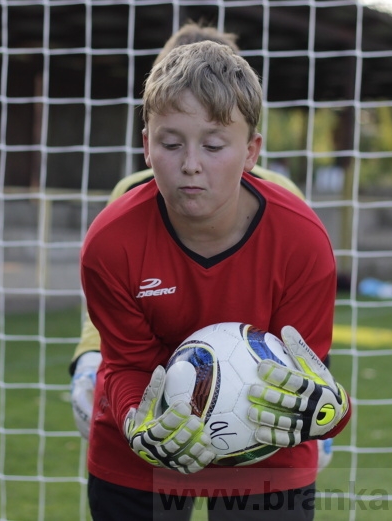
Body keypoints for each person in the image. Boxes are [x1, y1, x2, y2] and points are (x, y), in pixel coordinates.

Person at [80, 40, 351, 520]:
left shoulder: (302, 241)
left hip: (267, 461)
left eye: (213, 145)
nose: (190, 164)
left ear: (251, 152)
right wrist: (138, 426)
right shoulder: (111, 243)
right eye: (170, 143)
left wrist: (331, 413)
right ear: (146, 145)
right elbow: (127, 365)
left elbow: (307, 374)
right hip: (142, 458)